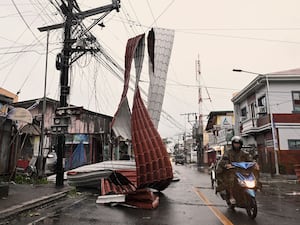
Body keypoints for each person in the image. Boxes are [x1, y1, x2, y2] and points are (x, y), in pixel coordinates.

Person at [216, 136, 260, 205]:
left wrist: (254, 164)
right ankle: (231, 196)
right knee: (231, 179)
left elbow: (250, 160)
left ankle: (256, 188)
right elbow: (224, 160)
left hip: (242, 172)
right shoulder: (228, 152)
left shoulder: (244, 153)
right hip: (232, 171)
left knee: (253, 176)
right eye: (235, 144)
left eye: (238, 144)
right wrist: (227, 165)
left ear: (241, 144)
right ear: (233, 144)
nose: (237, 145)